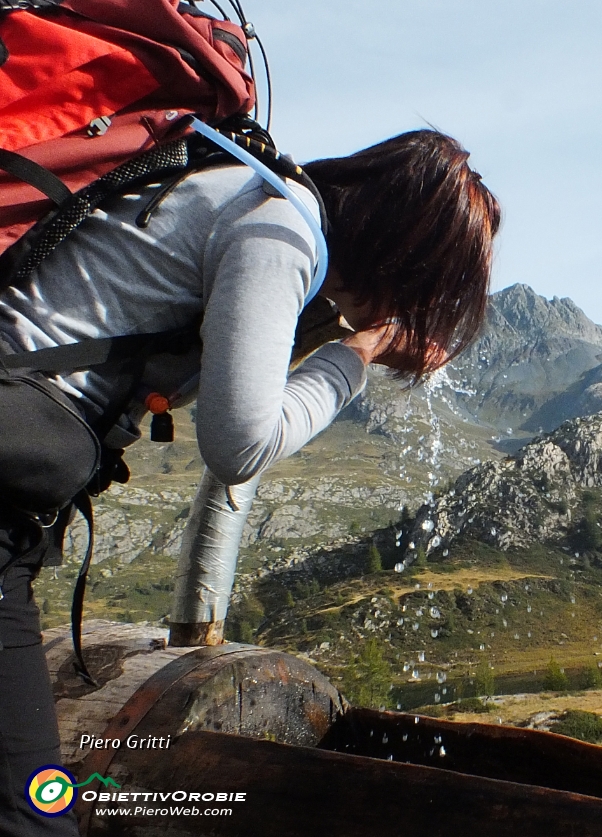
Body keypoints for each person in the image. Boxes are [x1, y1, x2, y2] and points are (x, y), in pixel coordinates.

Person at [0, 129, 500, 835]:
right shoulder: (281, 229)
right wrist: (360, 352)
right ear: (400, 250)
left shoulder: (255, 195)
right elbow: (242, 444)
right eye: (420, 290)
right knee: (30, 813)